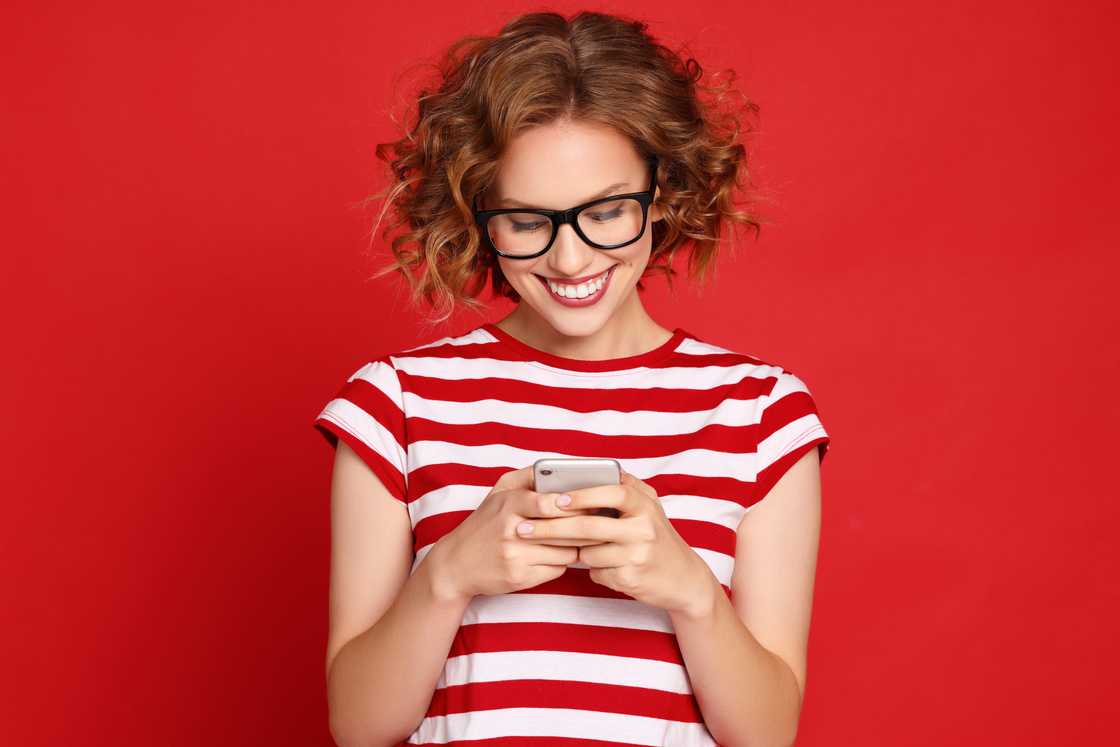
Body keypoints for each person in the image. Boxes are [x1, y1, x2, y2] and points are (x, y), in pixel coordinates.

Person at [313, 10, 831, 746]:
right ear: (479, 215)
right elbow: (358, 727)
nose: (570, 259)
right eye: (527, 220)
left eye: (607, 211)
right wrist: (449, 574)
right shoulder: (393, 403)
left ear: (663, 192)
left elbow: (768, 733)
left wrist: (691, 592)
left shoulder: (763, 415)